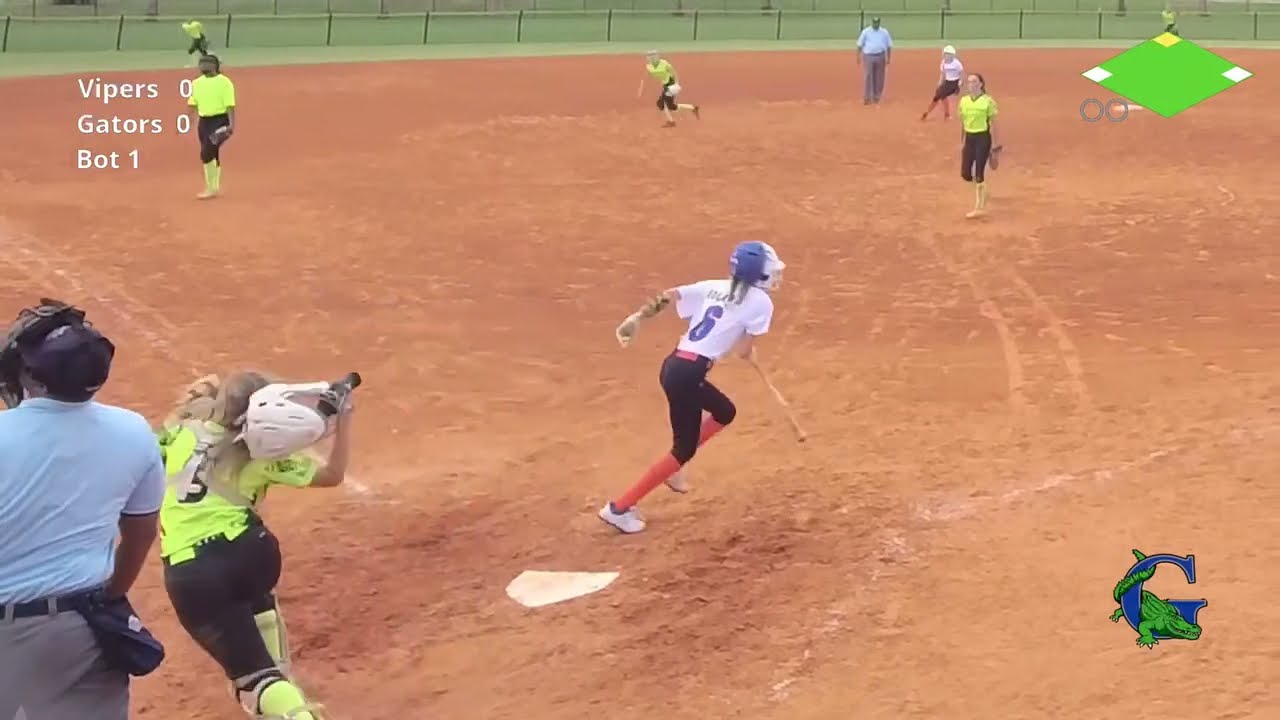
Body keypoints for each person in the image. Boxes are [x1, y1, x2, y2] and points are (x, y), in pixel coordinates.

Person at [156, 370, 357, 720]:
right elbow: (332, 475)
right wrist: (344, 423)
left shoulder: (179, 433)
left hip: (195, 573)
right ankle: (283, 683)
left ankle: (284, 700)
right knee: (251, 593)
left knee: (253, 678)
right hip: (253, 552)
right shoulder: (261, 454)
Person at [0, 299, 166, 720]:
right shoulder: (133, 431)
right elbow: (141, 532)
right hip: (85, 627)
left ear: (30, 373)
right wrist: (111, 594)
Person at [599, 241, 785, 534]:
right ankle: (619, 508)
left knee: (725, 411)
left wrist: (637, 317)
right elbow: (744, 350)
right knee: (683, 447)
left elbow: (669, 295)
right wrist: (749, 351)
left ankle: (676, 468)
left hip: (675, 366)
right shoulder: (761, 302)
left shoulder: (713, 286)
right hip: (688, 375)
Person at [187, 53, 236, 200]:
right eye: (201, 64)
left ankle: (211, 188)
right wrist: (189, 120)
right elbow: (193, 103)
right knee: (211, 152)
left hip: (220, 121)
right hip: (204, 122)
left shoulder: (225, 82)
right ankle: (213, 187)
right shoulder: (196, 83)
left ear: (215, 66)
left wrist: (231, 124)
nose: (203, 66)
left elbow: (230, 105)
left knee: (206, 152)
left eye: (206, 64)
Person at [957, 73, 1002, 219]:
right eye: (969, 82)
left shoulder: (988, 102)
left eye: (974, 81)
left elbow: (993, 124)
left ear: (981, 84)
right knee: (965, 173)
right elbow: (963, 123)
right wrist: (962, 141)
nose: (971, 84)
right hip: (970, 138)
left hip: (983, 138)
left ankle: (979, 207)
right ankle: (982, 192)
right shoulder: (964, 101)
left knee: (979, 172)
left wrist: (995, 145)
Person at [639, 50, 700, 128]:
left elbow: (674, 72)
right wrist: (641, 86)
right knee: (671, 106)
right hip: (665, 85)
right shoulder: (649, 66)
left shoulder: (664, 63)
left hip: (671, 84)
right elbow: (646, 76)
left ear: (657, 56)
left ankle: (671, 122)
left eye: (653, 55)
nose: (651, 57)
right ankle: (693, 108)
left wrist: (677, 84)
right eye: (649, 56)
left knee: (662, 103)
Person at [921, 44, 964, 121]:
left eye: (949, 54)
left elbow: (961, 73)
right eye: (946, 54)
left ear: (953, 55)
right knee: (938, 96)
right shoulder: (943, 63)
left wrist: (960, 82)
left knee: (941, 95)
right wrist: (940, 82)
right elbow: (943, 74)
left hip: (954, 83)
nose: (947, 56)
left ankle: (942, 114)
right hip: (947, 82)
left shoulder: (957, 63)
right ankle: (932, 113)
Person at [856, 16, 892, 106]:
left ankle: (877, 97)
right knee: (868, 76)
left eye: (877, 22)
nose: (875, 24)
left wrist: (889, 57)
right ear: (872, 22)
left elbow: (889, 45)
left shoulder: (884, 32)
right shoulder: (866, 32)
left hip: (880, 56)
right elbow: (859, 45)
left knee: (880, 77)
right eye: (874, 22)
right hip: (868, 56)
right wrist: (858, 56)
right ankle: (867, 97)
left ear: (879, 23)